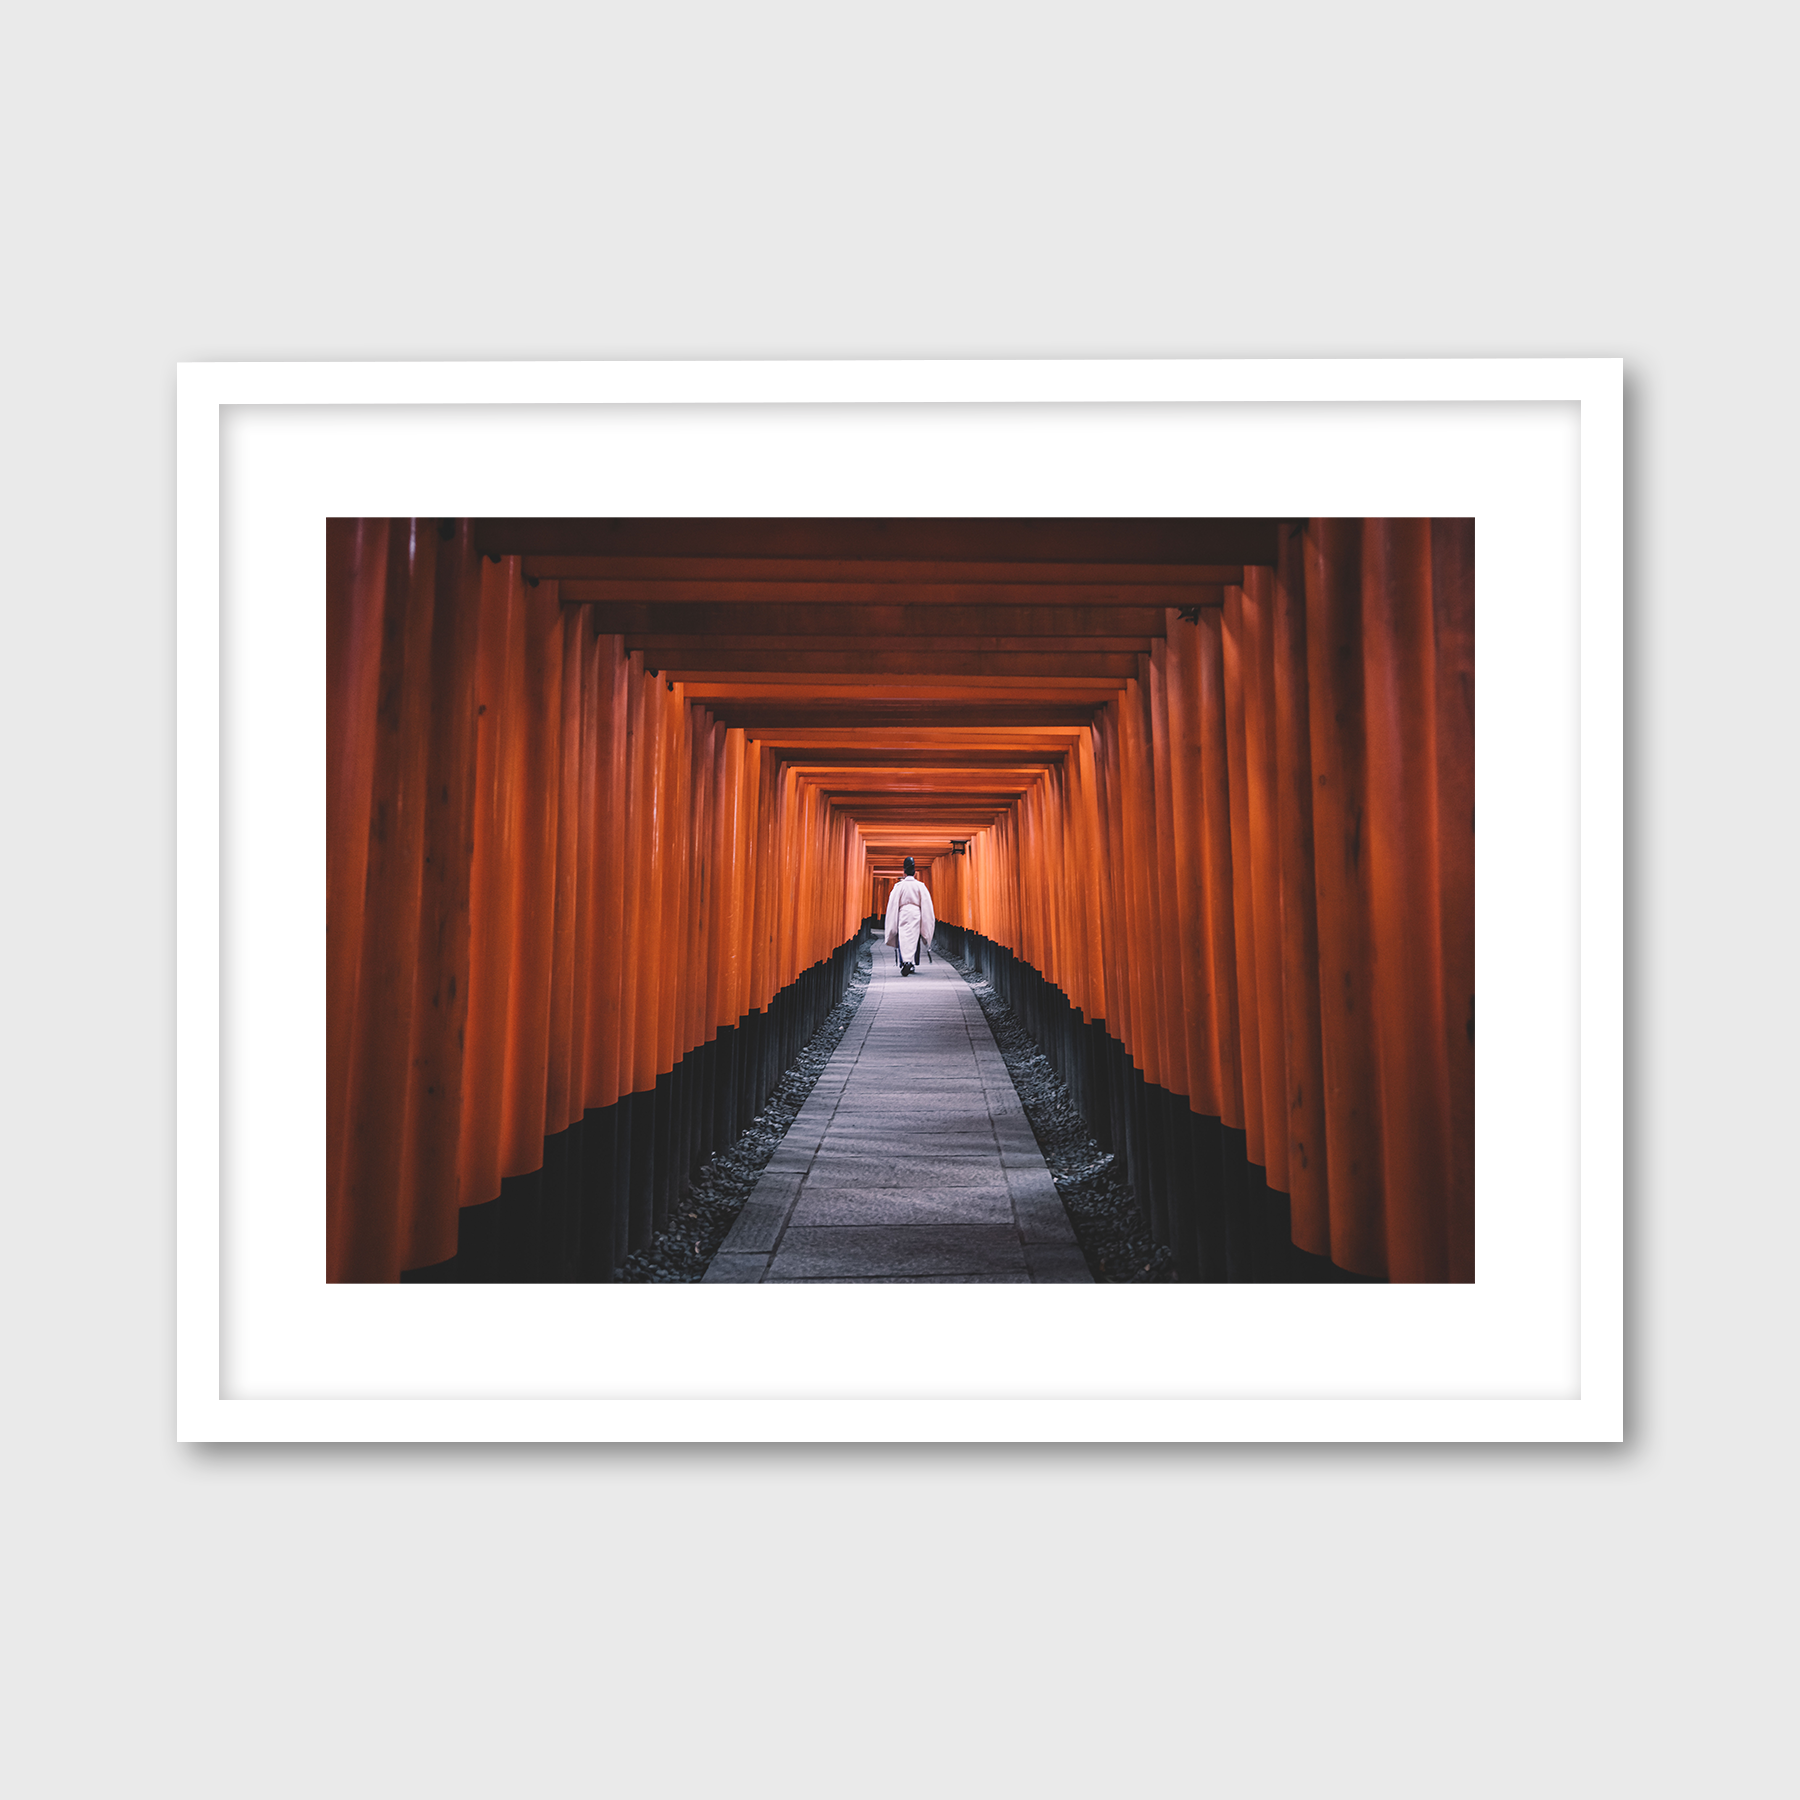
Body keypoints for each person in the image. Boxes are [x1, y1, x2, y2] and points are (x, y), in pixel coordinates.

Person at [883, 856, 937, 976]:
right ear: (915, 872)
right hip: (916, 914)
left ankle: (905, 962)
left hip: (902, 914)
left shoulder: (899, 886)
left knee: (903, 938)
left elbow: (893, 904)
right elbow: (926, 904)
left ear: (904, 871)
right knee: (914, 938)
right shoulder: (920, 886)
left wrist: (892, 921)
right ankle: (911, 962)